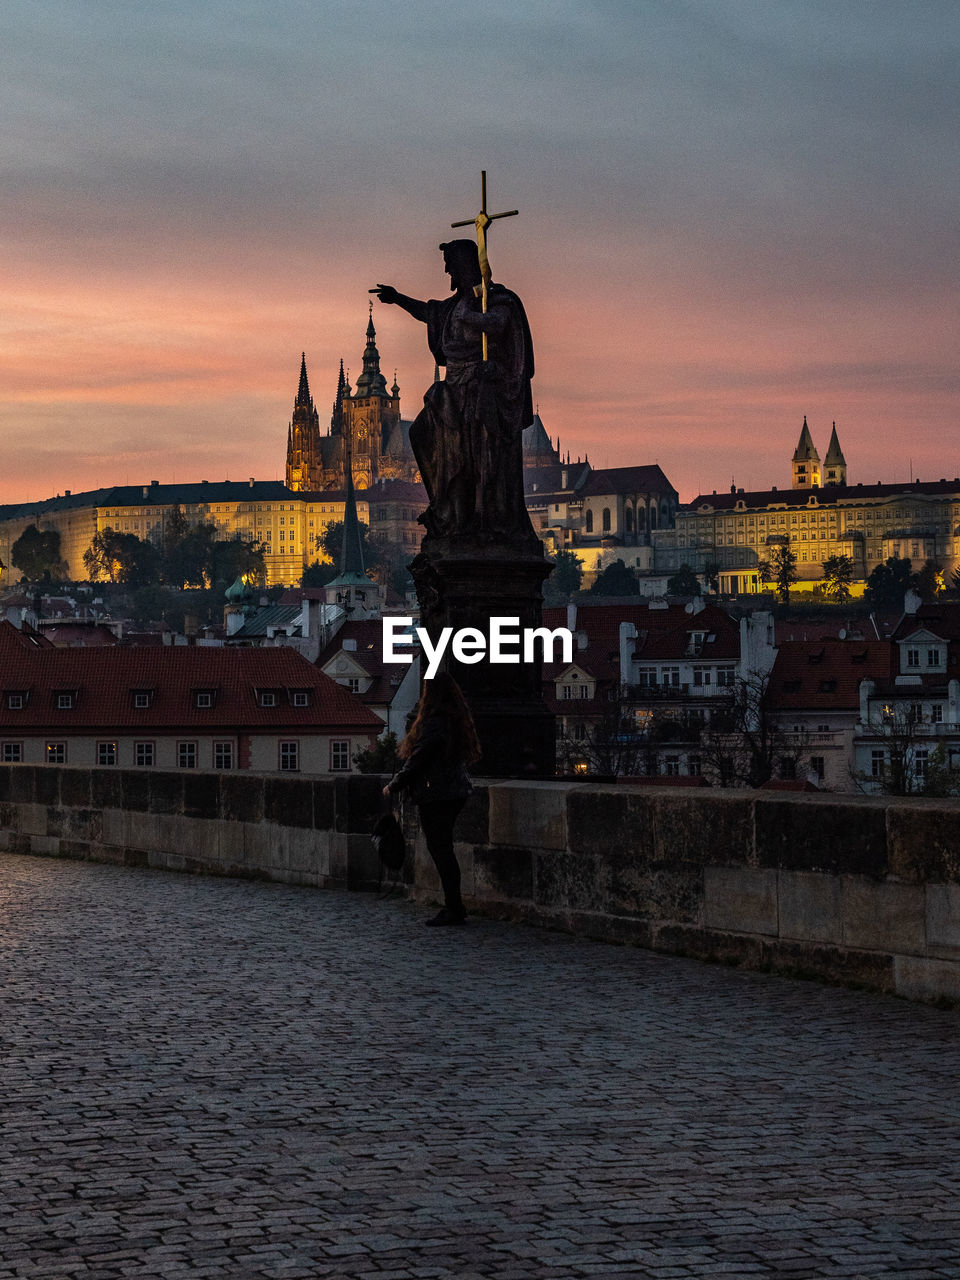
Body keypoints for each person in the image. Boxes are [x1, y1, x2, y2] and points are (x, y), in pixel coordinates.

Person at [372, 239, 538, 547]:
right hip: (453, 388)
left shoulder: (496, 298)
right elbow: (427, 312)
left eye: (450, 265)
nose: (447, 270)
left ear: (464, 265)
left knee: (478, 457)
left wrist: (470, 317)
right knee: (422, 434)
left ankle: (480, 519)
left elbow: (500, 324)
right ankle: (447, 511)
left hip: (481, 390)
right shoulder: (453, 305)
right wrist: (397, 299)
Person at [382, 672, 481, 926]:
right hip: (454, 790)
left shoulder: (435, 721)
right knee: (443, 848)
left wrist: (395, 784)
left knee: (441, 850)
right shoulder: (453, 717)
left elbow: (419, 757)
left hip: (438, 793)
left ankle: (454, 908)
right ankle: (454, 906)